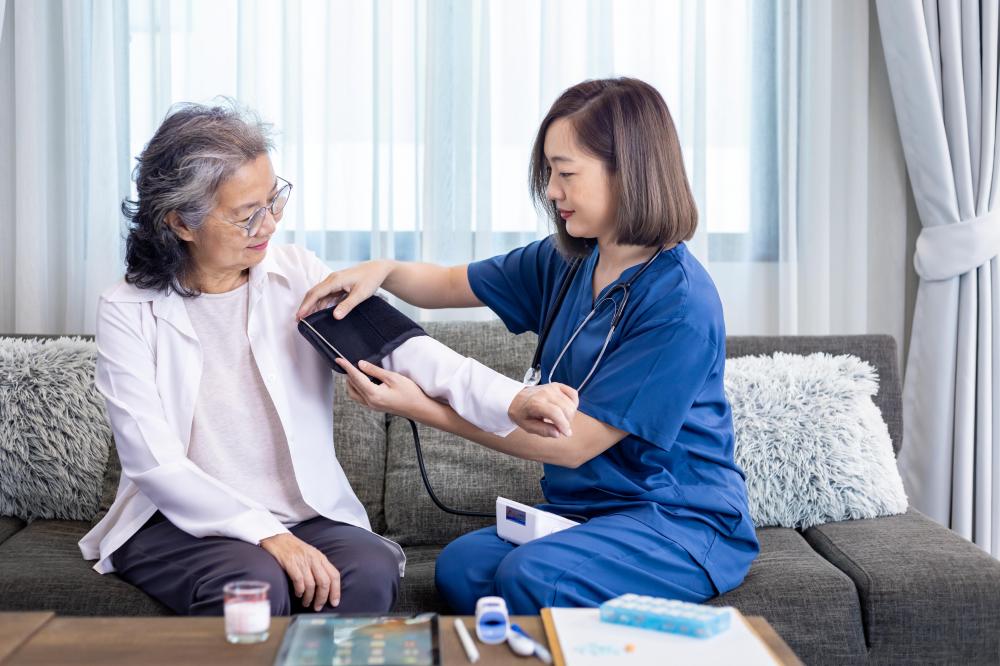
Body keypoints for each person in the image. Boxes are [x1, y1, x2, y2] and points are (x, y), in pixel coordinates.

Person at [79, 102, 575, 616]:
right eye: (247, 214)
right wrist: (269, 536)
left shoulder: (296, 273)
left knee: (366, 569)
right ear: (182, 222)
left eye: (273, 200)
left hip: (304, 512)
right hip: (180, 522)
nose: (268, 224)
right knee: (254, 583)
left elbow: (403, 348)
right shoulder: (127, 310)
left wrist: (513, 398)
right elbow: (154, 463)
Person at [297, 77, 760, 614]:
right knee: (462, 569)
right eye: (549, 174)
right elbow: (449, 282)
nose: (551, 192)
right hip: (590, 514)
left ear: (628, 171)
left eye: (566, 174)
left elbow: (570, 445)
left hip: (677, 521)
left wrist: (423, 408)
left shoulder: (679, 305)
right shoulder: (567, 261)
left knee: (532, 577)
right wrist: (385, 270)